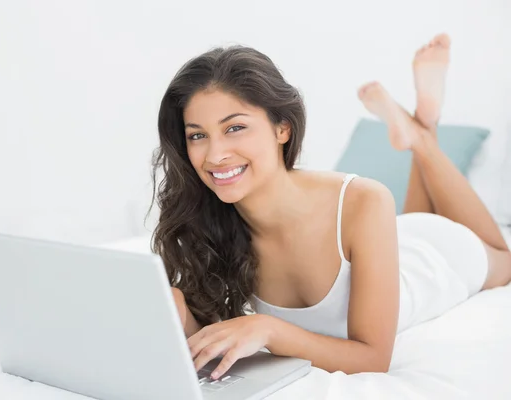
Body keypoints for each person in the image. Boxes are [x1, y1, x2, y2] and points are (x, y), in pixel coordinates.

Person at [149, 33, 511, 380]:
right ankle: (417, 129)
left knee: (505, 262)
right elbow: (216, 336)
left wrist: (269, 329)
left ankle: (420, 135)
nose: (215, 155)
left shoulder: (364, 199)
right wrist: (179, 312)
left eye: (235, 128)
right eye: (197, 135)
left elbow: (373, 358)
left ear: (282, 129)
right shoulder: (211, 220)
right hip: (393, 238)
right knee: (409, 218)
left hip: (436, 253)